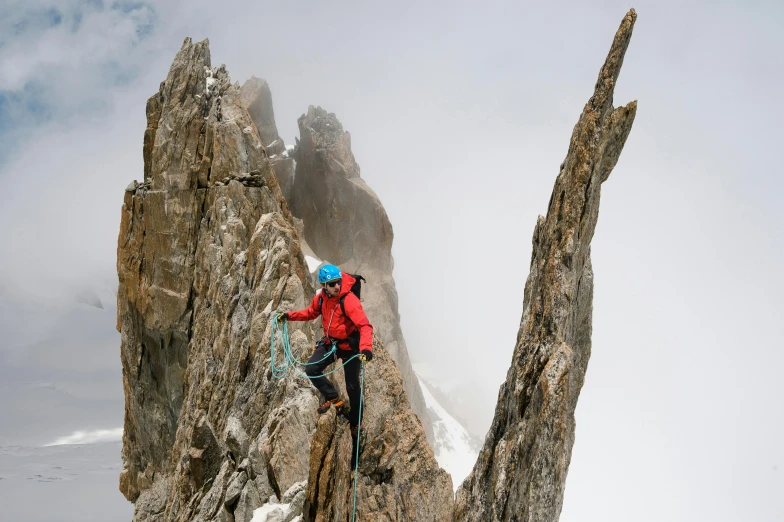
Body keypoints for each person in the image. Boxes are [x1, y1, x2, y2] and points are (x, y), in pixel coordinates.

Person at [278, 264, 373, 436]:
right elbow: (310, 313)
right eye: (332, 284)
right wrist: (289, 316)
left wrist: (366, 349)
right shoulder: (321, 299)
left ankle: (356, 423)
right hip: (331, 343)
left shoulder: (349, 299)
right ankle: (332, 396)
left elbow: (364, 325)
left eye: (338, 282)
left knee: (353, 386)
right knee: (311, 369)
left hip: (350, 346)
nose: (337, 286)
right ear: (324, 286)